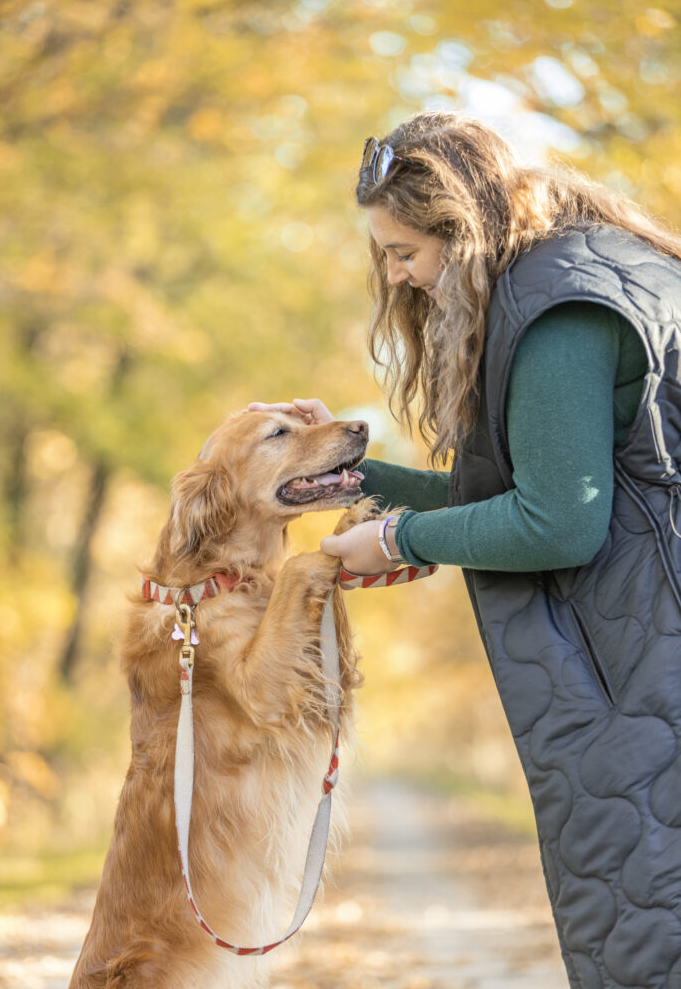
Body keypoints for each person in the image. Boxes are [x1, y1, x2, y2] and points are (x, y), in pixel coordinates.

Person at [249, 112, 681, 989]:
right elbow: (525, 498)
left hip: (650, 662)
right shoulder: (566, 269)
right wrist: (355, 480)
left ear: (464, 226)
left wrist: (401, 540)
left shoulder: (558, 314)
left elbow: (559, 523)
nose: (396, 276)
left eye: (404, 251)